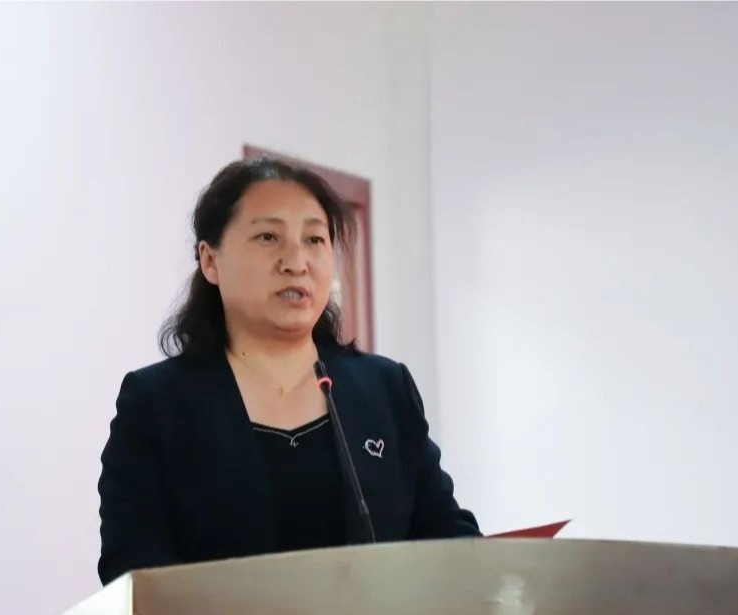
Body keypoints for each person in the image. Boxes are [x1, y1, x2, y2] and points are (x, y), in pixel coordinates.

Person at [97, 156, 480, 585]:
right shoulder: (155, 403)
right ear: (210, 261)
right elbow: (133, 573)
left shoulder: (386, 389)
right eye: (268, 237)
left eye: (314, 239)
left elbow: (448, 539)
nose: (296, 262)